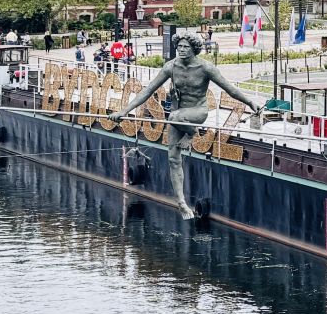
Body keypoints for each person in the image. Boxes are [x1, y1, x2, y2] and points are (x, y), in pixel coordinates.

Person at [112, 36, 263, 218]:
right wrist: (124, 111)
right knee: (173, 159)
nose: (181, 49)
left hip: (197, 112)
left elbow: (230, 89)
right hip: (178, 117)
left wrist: (250, 102)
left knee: (174, 116)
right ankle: (181, 203)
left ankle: (191, 135)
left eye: (185, 47)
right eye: (179, 46)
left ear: (194, 49)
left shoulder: (205, 68)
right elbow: (148, 90)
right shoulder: (171, 67)